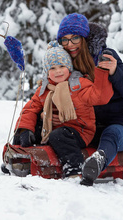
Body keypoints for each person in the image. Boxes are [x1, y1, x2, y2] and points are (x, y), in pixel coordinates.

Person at [55, 13, 123, 186]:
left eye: (74, 38)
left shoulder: (106, 56)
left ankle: (97, 162)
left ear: (84, 38)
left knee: (111, 134)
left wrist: (115, 72)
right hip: (89, 125)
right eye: (64, 40)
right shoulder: (64, 65)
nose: (70, 44)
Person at [13, 41, 113, 178]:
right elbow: (30, 108)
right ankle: (18, 160)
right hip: (53, 128)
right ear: (47, 72)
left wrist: (102, 73)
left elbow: (100, 97)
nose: (58, 71)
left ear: (69, 67)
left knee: (59, 136)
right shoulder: (44, 89)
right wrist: (25, 129)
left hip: (80, 130)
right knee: (27, 129)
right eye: (52, 68)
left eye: (61, 66)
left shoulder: (79, 85)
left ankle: (74, 168)